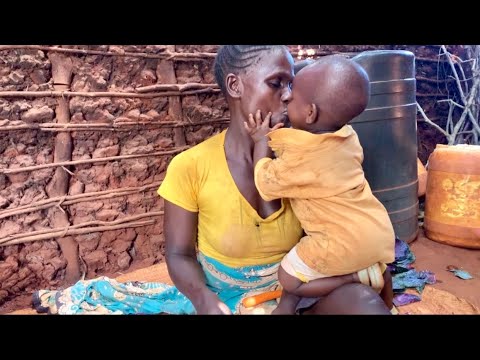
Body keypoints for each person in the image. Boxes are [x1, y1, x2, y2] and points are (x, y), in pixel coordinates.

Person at [158, 46, 393, 315]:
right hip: (226, 300)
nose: (289, 95)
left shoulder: (312, 159)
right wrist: (204, 300)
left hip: (297, 293)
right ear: (235, 86)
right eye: (276, 83)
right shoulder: (191, 166)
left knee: (362, 304)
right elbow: (179, 254)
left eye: (291, 84)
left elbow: (335, 234)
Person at [244, 56, 395, 314]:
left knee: (288, 277)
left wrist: (261, 141)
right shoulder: (348, 137)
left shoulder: (303, 159)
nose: (285, 97)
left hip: (337, 243)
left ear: (311, 113)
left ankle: (352, 278)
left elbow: (265, 182)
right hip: (376, 232)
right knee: (375, 269)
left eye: (292, 93)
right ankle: (385, 301)